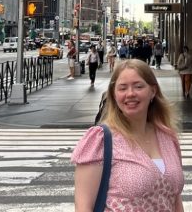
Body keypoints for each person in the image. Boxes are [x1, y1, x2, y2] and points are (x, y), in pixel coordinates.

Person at [72, 59, 184, 212]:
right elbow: (83, 207)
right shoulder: (101, 140)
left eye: (138, 86)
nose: (130, 94)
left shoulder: (168, 137)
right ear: (114, 94)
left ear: (153, 91)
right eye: (122, 88)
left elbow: (175, 199)